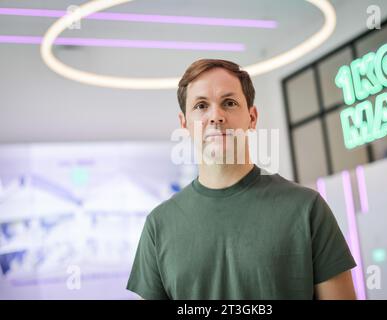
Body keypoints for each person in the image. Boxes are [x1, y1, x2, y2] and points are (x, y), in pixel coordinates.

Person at [126, 59, 357, 299]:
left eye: (229, 103)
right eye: (201, 106)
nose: (216, 116)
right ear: (184, 124)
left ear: (252, 117)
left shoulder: (307, 209)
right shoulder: (159, 225)